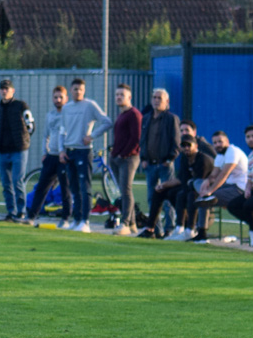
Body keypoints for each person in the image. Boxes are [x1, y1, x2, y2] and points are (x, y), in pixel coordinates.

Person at [60, 78, 113, 233]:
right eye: (75, 89)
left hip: (83, 151)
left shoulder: (90, 105)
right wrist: (61, 150)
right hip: (69, 151)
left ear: (84, 91)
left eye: (81, 89)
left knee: (85, 187)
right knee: (74, 187)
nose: (78, 92)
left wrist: (92, 136)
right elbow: (62, 130)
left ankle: (85, 221)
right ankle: (76, 220)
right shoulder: (66, 108)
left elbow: (107, 122)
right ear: (71, 90)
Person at [155, 129, 215, 239]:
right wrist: (164, 185)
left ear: (196, 146)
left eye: (189, 145)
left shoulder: (203, 159)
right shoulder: (184, 158)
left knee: (191, 195)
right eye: (183, 145)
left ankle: (190, 229)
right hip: (193, 186)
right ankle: (179, 227)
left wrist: (189, 184)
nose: (186, 148)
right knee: (179, 194)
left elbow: (201, 181)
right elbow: (182, 179)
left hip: (208, 188)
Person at [27, 85, 73, 227]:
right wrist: (44, 152)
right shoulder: (50, 115)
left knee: (65, 188)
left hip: (64, 157)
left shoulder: (69, 114)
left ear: (66, 98)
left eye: (61, 97)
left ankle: (65, 218)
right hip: (51, 156)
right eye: (55, 97)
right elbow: (45, 135)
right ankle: (31, 217)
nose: (58, 100)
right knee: (42, 187)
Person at [192, 131, 248, 242]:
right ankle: (199, 232)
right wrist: (207, 181)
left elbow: (224, 174)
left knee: (205, 197)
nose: (217, 145)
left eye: (220, 142)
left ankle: (201, 233)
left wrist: (210, 190)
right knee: (196, 183)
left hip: (241, 189)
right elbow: (214, 175)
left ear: (227, 141)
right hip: (230, 186)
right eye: (215, 143)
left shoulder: (233, 152)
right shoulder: (220, 156)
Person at [139, 88, 181, 235]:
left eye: (159, 98)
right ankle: (156, 229)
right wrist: (143, 158)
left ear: (166, 101)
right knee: (151, 198)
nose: (156, 100)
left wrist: (170, 159)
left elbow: (176, 142)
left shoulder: (171, 119)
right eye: (154, 97)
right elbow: (143, 140)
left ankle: (170, 228)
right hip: (150, 164)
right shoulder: (146, 118)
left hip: (165, 164)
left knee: (167, 198)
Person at [0, 79, 33, 222]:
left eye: (7, 89)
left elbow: (30, 125)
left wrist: (24, 140)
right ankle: (11, 211)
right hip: (3, 150)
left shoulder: (20, 105)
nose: (4, 91)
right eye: (2, 89)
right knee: (6, 184)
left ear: (12, 90)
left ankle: (21, 211)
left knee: (17, 181)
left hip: (18, 150)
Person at [107, 83, 142, 234]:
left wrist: (124, 154)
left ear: (129, 97)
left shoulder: (134, 114)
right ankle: (133, 223)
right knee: (122, 190)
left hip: (129, 158)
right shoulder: (121, 114)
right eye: (117, 95)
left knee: (126, 190)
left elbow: (136, 138)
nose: (119, 97)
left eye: (122, 95)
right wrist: (114, 153)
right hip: (117, 157)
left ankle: (125, 223)